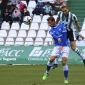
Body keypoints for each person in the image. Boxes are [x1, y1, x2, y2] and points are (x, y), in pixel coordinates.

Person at [42, 16, 69, 83]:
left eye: (50, 22)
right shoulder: (50, 30)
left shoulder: (62, 26)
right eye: (48, 23)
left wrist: (62, 45)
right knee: (51, 59)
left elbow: (65, 36)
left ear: (54, 21)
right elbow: (55, 36)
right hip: (57, 46)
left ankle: (66, 79)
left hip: (65, 46)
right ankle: (46, 73)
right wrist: (58, 39)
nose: (49, 24)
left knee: (64, 62)